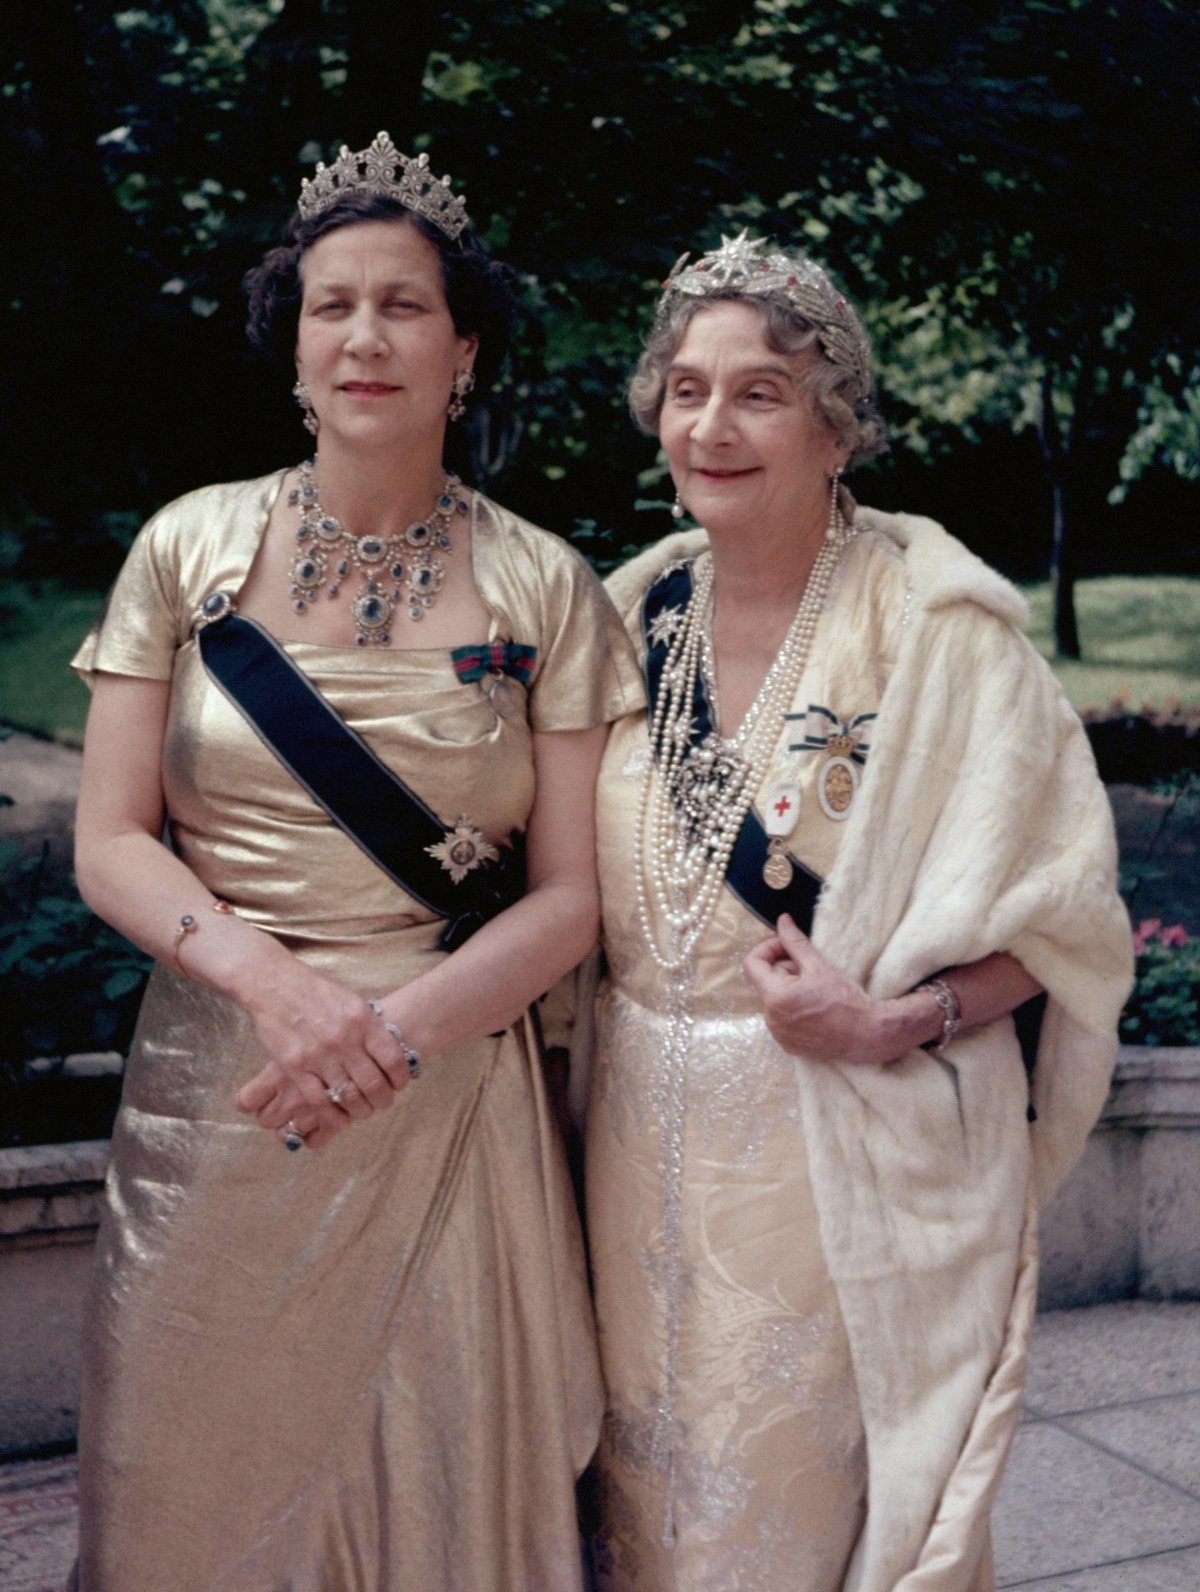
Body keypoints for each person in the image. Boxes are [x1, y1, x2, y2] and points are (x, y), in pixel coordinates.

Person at [68, 133, 641, 1591]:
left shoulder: (545, 582)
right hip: (224, 1088)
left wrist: (384, 1032)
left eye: (403, 305)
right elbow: (111, 838)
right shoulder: (188, 550)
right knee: (184, 1486)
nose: (365, 335)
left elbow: (570, 895)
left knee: (442, 1480)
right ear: (294, 341)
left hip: (444, 1093)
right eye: (334, 304)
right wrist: (283, 993)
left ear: (464, 351)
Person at [583, 232, 1132, 1590]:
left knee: (814, 1521)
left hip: (841, 1158)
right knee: (642, 1516)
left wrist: (896, 1017)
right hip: (628, 1145)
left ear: (840, 428)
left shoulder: (937, 625)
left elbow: (1065, 911)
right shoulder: (626, 611)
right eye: (688, 388)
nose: (713, 424)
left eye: (761, 391)